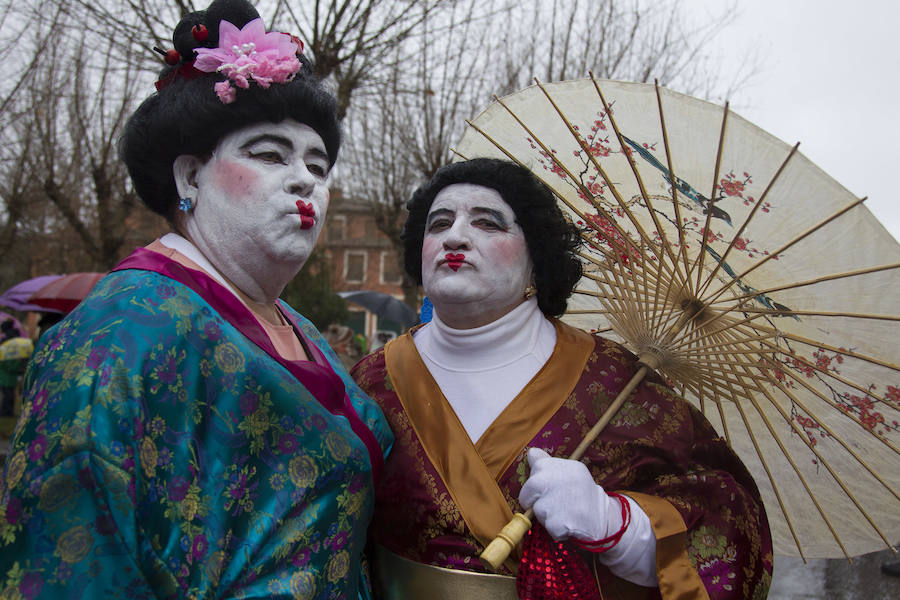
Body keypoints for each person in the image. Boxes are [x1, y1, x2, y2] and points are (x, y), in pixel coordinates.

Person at [0, 1, 391, 598]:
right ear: (189, 177)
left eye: (320, 163)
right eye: (268, 154)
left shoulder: (300, 328)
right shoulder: (122, 328)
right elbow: (71, 551)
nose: (305, 179)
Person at [351, 158, 772, 599]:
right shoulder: (370, 381)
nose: (454, 237)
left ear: (537, 257)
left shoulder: (615, 382)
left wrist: (615, 523)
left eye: (488, 224)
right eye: (439, 223)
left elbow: (732, 523)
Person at [0, 320, 31, 417]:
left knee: (7, 393)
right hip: (11, 370)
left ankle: (6, 412)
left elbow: (6, 359)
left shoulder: (6, 341)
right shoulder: (17, 338)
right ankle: (8, 411)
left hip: (7, 370)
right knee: (10, 393)